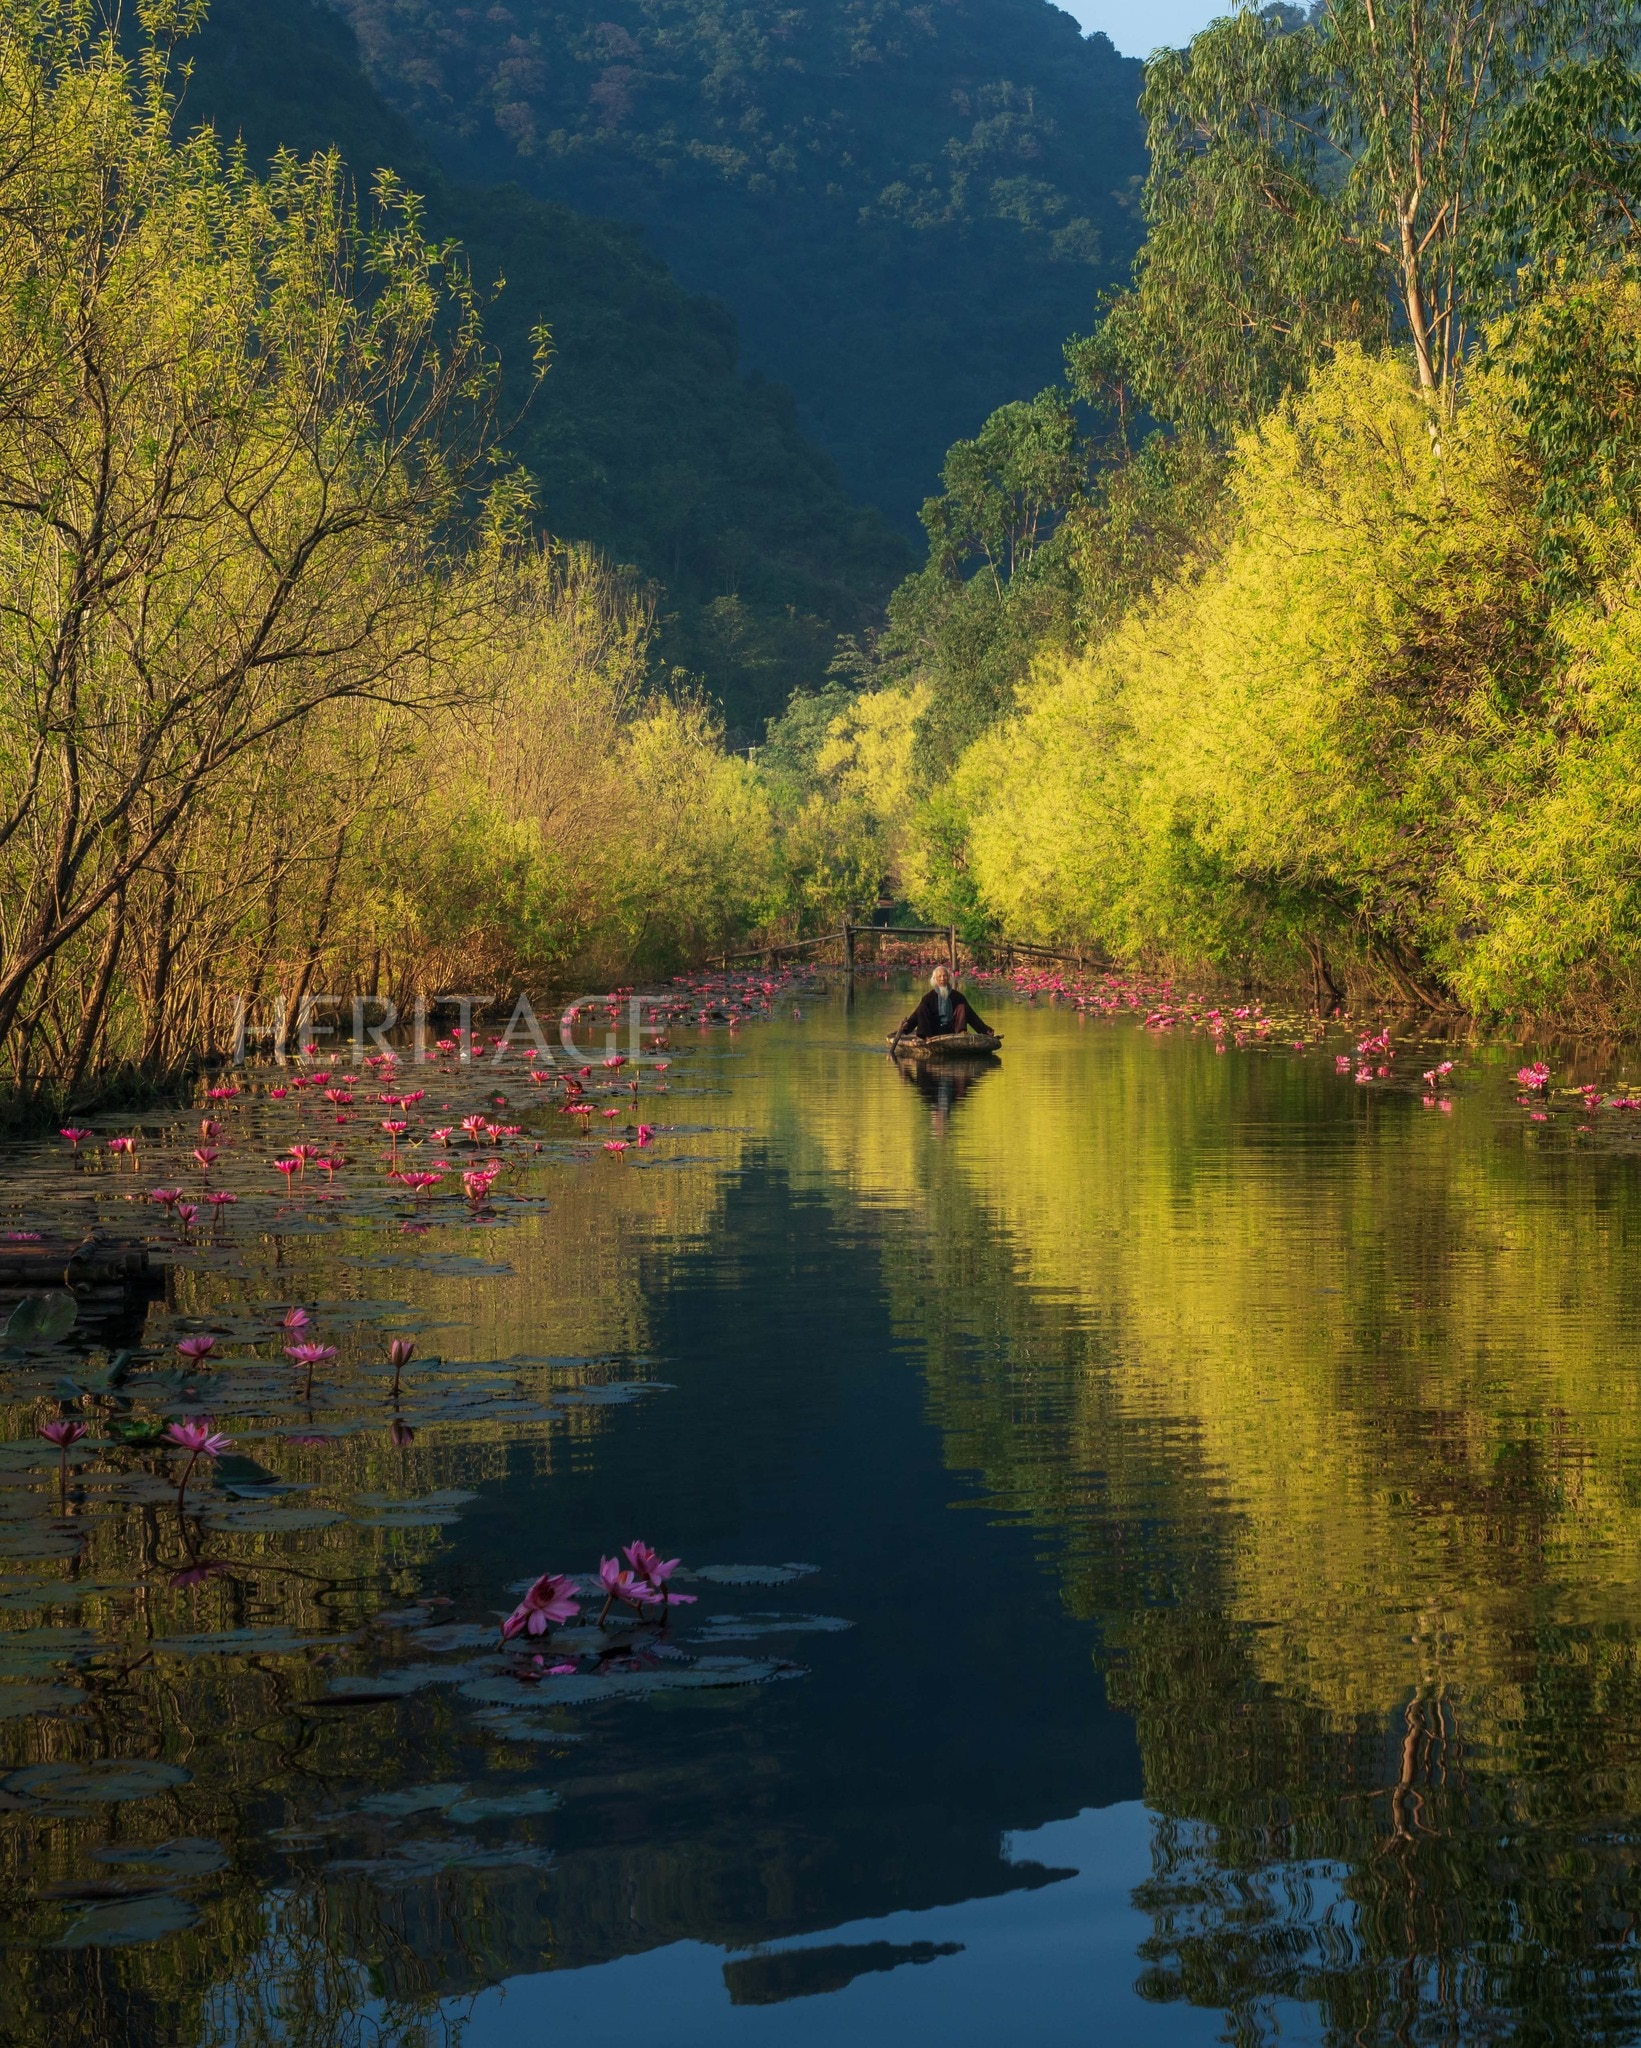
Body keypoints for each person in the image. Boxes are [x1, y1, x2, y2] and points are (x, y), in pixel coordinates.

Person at [896, 964, 991, 1040]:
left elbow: (972, 1016)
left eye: (945, 975)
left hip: (953, 1029)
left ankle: (961, 1034)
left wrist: (986, 1030)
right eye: (939, 976)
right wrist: (907, 1025)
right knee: (922, 1008)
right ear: (935, 979)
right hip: (934, 1030)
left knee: (962, 1007)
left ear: (948, 977)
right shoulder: (928, 998)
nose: (942, 979)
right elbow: (917, 1015)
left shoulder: (958, 996)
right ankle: (926, 1038)